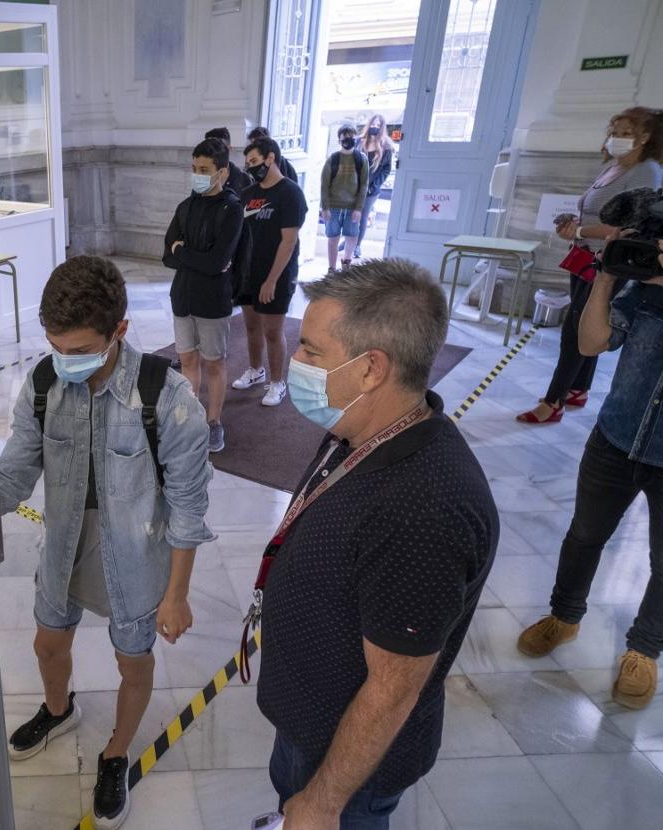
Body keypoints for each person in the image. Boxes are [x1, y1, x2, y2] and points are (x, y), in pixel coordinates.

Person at [0, 256, 214, 830]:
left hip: (136, 551)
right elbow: (10, 478)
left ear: (119, 331)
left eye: (79, 351)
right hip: (64, 541)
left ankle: (116, 753)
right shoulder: (46, 383)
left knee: (134, 660)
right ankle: (59, 709)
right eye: (56, 346)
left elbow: (188, 508)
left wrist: (177, 593)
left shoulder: (169, 400)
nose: (65, 361)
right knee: (48, 643)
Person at [257, 260, 498, 828]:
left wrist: (322, 802)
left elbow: (392, 689)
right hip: (310, 720)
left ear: (371, 369)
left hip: (346, 769)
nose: (295, 362)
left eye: (311, 351)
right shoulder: (362, 429)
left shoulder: (425, 511)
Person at [517, 241, 663, 710]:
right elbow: (590, 343)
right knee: (583, 536)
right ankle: (564, 616)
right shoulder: (644, 292)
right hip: (615, 437)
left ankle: (643, 650)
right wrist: (605, 276)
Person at [516, 107, 663, 424]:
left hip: (609, 263)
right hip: (586, 256)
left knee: (575, 329)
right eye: (615, 131)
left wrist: (581, 231)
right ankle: (578, 388)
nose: (617, 138)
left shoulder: (647, 171)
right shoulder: (613, 166)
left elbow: (631, 227)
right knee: (579, 321)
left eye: (626, 133)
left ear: (645, 136)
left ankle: (552, 402)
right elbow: (597, 211)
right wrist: (573, 225)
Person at [162, 138, 243, 453]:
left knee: (214, 363)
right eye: (194, 168)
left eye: (204, 169)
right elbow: (166, 257)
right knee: (188, 361)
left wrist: (183, 250)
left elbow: (217, 262)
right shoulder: (185, 207)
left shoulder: (231, 209)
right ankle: (191, 417)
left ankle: (213, 422)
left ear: (221, 172)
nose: (197, 174)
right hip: (182, 296)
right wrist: (193, 256)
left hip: (212, 302)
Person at [230, 136, 308, 407]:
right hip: (249, 272)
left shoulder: (290, 193)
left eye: (254, 161)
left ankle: (277, 382)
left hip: (276, 274)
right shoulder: (249, 195)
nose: (250, 168)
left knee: (272, 331)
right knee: (251, 325)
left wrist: (271, 280)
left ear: (270, 158)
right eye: (248, 163)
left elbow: (289, 241)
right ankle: (255, 369)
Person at [320, 124, 371, 275]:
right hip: (333, 206)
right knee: (333, 237)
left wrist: (358, 208)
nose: (348, 140)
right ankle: (332, 268)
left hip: (352, 207)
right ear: (339, 139)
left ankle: (346, 264)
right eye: (344, 138)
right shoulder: (333, 159)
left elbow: (364, 185)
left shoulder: (361, 159)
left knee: (352, 236)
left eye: (351, 137)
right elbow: (324, 185)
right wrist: (325, 207)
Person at [351, 114, 395, 261]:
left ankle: (357, 245)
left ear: (382, 127)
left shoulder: (386, 146)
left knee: (362, 216)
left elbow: (386, 169)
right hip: (354, 186)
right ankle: (349, 240)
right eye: (372, 124)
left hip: (371, 189)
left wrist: (374, 185)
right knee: (351, 215)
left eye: (378, 125)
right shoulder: (358, 142)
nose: (374, 127)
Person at [205, 127, 251, 195]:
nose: (213, 152)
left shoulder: (244, 180)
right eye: (209, 149)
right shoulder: (203, 178)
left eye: (218, 148)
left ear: (229, 148)